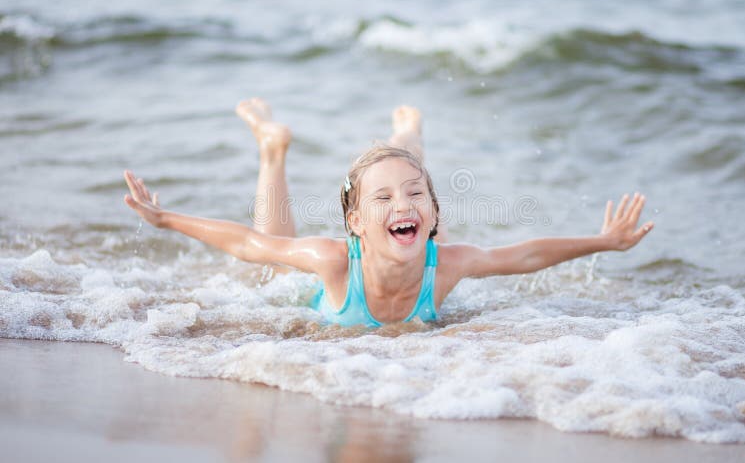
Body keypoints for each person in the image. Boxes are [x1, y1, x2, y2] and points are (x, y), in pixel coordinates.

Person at [123, 98, 654, 327]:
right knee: (269, 262)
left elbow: (524, 254)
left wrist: (603, 240)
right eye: (379, 204)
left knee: (403, 171)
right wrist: (167, 219)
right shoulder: (335, 261)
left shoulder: (443, 261)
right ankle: (272, 147)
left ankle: (408, 138)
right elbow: (249, 243)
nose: (402, 208)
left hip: (406, 201)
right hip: (324, 274)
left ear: (436, 219)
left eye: (418, 203)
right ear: (354, 225)